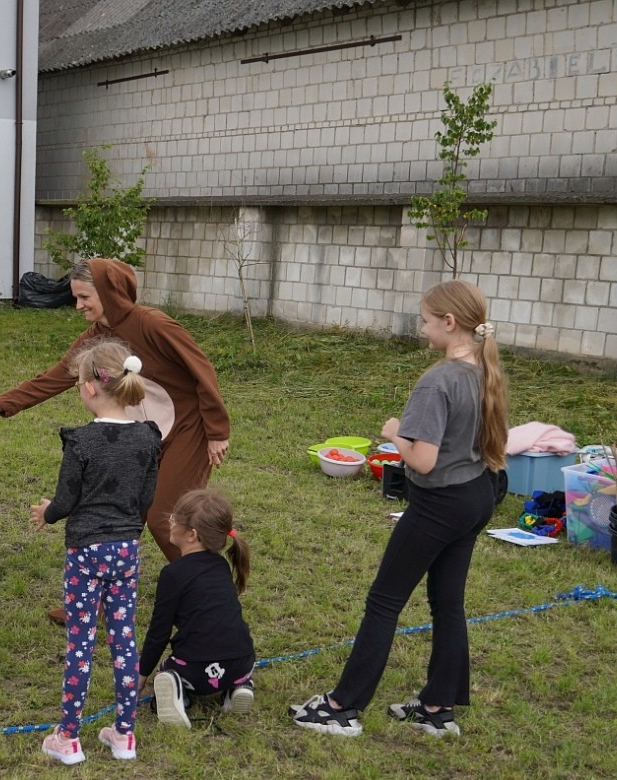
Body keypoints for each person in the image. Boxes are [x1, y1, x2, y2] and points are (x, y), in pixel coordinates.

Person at [289, 279, 508, 738]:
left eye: (427, 320)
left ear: (450, 323)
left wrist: (393, 432)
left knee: (384, 600)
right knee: (448, 602)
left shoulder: (438, 381)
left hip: (440, 504)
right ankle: (436, 708)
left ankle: (341, 708)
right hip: (476, 495)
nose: (422, 328)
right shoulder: (484, 370)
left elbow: (423, 459)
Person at [0, 258, 230, 624]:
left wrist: (217, 431)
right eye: (75, 298)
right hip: (138, 437)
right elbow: (55, 377)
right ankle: (97, 603)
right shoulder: (94, 340)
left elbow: (202, 369)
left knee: (164, 517)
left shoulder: (152, 324)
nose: (79, 307)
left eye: (84, 297)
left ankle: (208, 593)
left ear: (108, 292)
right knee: (115, 518)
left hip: (187, 429)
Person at [31, 339, 161, 764]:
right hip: (127, 550)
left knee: (81, 642)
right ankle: (124, 735)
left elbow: (65, 501)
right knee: (124, 641)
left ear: (89, 387)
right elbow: (146, 499)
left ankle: (68, 737)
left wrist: (47, 513)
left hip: (86, 552)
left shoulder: (82, 442)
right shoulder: (148, 438)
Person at [137, 489, 256, 729]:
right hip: (242, 661)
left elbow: (159, 633)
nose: (169, 520)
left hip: (196, 670)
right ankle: (239, 686)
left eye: (174, 518)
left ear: (191, 535)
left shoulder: (173, 574)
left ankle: (178, 691)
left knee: (167, 672)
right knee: (229, 655)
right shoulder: (222, 566)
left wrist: (140, 677)